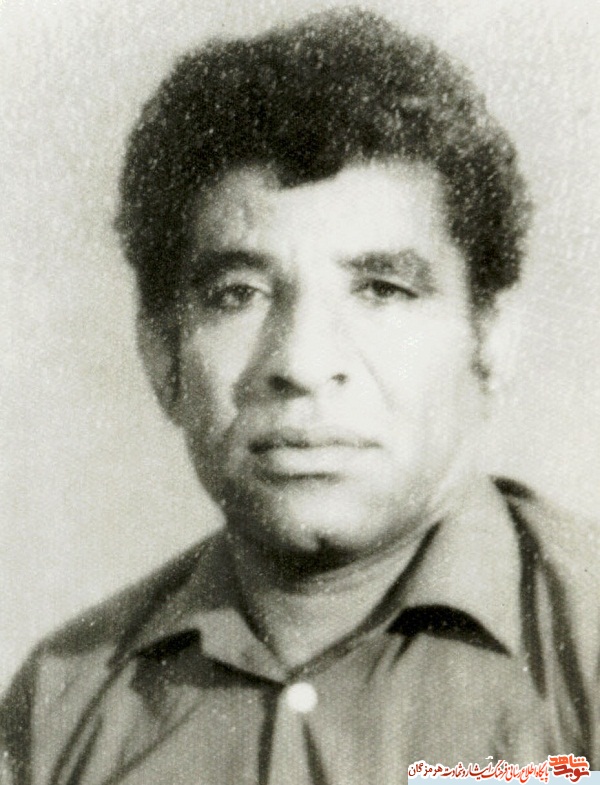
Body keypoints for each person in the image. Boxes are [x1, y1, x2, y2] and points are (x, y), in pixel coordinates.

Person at [1, 8, 598, 784]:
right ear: (162, 355)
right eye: (238, 293)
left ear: (490, 338)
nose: (303, 363)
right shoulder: (60, 706)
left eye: (381, 289)